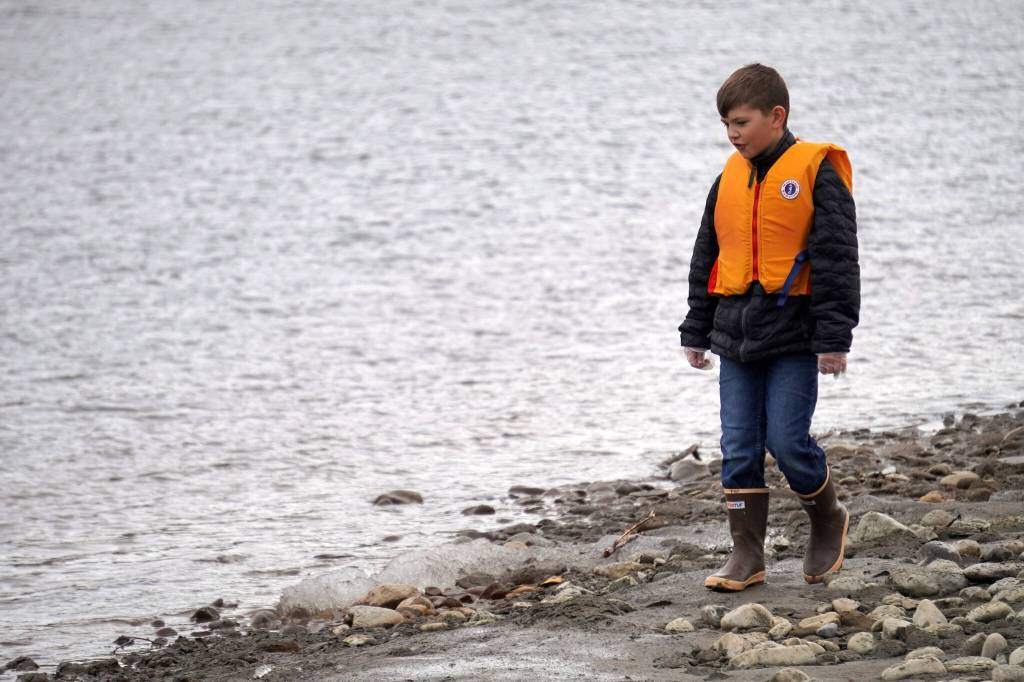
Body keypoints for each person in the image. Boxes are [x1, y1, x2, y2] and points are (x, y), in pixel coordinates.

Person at [678, 64, 860, 591]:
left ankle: (828, 518)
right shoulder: (728, 178)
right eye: (725, 125)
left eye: (741, 122)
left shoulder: (816, 172)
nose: (733, 134)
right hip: (735, 336)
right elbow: (705, 258)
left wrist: (834, 341)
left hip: (795, 337)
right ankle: (746, 554)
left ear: (776, 116)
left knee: (786, 441)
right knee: (737, 446)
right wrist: (696, 329)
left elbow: (837, 260)